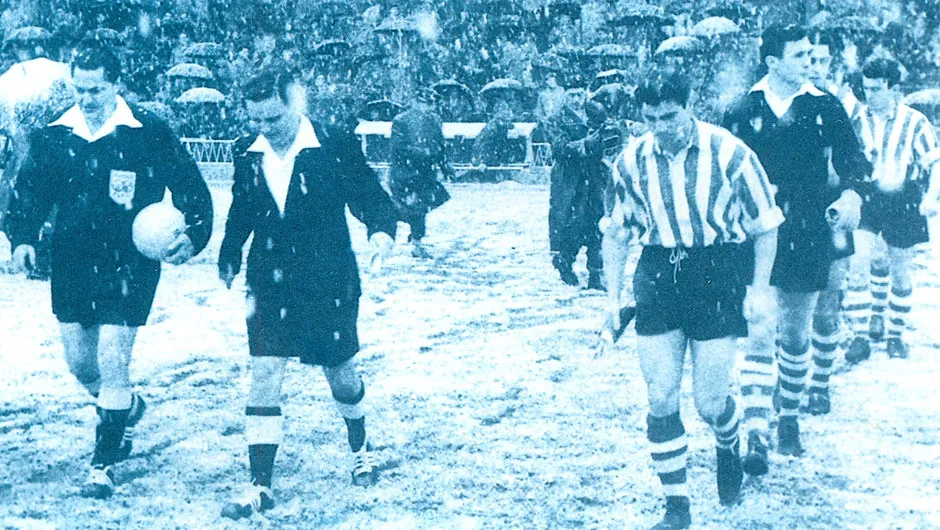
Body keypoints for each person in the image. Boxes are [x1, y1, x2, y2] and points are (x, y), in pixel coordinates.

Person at [6, 44, 214, 498]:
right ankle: (126, 409)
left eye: (96, 89)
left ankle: (103, 464)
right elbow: (28, 193)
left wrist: (194, 235)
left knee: (113, 359)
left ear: (116, 84)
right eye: (79, 89)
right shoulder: (56, 134)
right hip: (72, 258)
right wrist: (21, 237)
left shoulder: (147, 132)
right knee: (81, 364)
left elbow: (191, 188)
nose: (86, 98)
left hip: (130, 261)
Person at [602, 72, 782, 530]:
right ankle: (676, 507)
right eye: (651, 119)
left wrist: (759, 288)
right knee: (660, 395)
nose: (661, 127)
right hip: (659, 272)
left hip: (716, 271)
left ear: (690, 105)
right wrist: (612, 299)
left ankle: (728, 441)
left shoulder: (731, 153)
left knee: (709, 400)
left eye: (670, 116)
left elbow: (766, 225)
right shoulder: (630, 161)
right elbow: (617, 233)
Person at [217, 69, 397, 519]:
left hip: (327, 278)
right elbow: (243, 207)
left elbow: (369, 197)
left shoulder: (333, 145)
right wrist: (229, 251)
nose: (265, 129)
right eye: (256, 120)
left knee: (340, 375)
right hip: (269, 278)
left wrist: (381, 231)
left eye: (273, 118)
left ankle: (360, 446)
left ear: (294, 104)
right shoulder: (247, 151)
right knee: (264, 372)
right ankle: (260, 484)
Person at [723, 24, 871, 469]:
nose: (810, 61)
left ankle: (788, 416)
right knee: (758, 329)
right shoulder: (742, 109)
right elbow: (721, 173)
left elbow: (854, 164)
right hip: (755, 234)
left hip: (808, 230)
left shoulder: (825, 106)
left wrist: (851, 195)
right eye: (800, 55)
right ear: (772, 62)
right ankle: (757, 432)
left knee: (795, 332)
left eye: (811, 54)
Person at [842, 56, 940, 361]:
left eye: (877, 89)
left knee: (899, 271)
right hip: (867, 197)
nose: (870, 95)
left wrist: (931, 197)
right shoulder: (856, 119)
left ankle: (895, 335)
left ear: (894, 90)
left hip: (903, 199)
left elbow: (935, 162)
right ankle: (860, 336)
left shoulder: (915, 122)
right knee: (858, 264)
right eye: (866, 88)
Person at [544, 92, 615, 290]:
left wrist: (608, 136)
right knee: (571, 224)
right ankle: (565, 263)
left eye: (579, 94)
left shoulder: (596, 112)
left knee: (598, 223)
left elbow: (611, 133)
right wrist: (584, 145)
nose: (576, 100)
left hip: (595, 176)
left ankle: (596, 273)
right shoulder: (555, 119)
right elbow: (560, 148)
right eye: (571, 95)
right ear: (564, 96)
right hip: (569, 179)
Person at [388, 87, 452, 259]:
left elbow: (440, 145)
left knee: (421, 207)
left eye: (432, 103)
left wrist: (445, 166)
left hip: (426, 173)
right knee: (413, 207)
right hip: (405, 172)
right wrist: (420, 152)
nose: (429, 107)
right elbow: (397, 148)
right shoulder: (401, 121)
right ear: (415, 102)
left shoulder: (435, 121)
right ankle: (398, 222)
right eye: (426, 103)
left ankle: (416, 239)